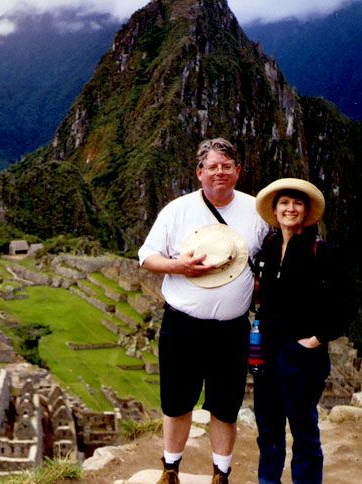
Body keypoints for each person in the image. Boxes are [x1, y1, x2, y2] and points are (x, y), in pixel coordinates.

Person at [138, 138, 269, 484]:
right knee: (177, 402)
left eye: (227, 166)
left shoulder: (257, 212)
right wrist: (179, 266)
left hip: (231, 329)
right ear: (199, 172)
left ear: (238, 171)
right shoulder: (177, 210)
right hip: (182, 325)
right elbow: (147, 256)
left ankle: (220, 474)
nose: (220, 172)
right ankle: (170, 469)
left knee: (225, 407)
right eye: (212, 166)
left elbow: (270, 260)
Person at [252, 178, 350, 484]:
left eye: (297, 203)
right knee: (268, 429)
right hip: (267, 352)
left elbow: (346, 301)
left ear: (306, 212)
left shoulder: (320, 251)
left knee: (304, 430)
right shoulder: (268, 247)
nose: (290, 209)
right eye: (284, 203)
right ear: (276, 209)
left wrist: (317, 338)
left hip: (301, 356)